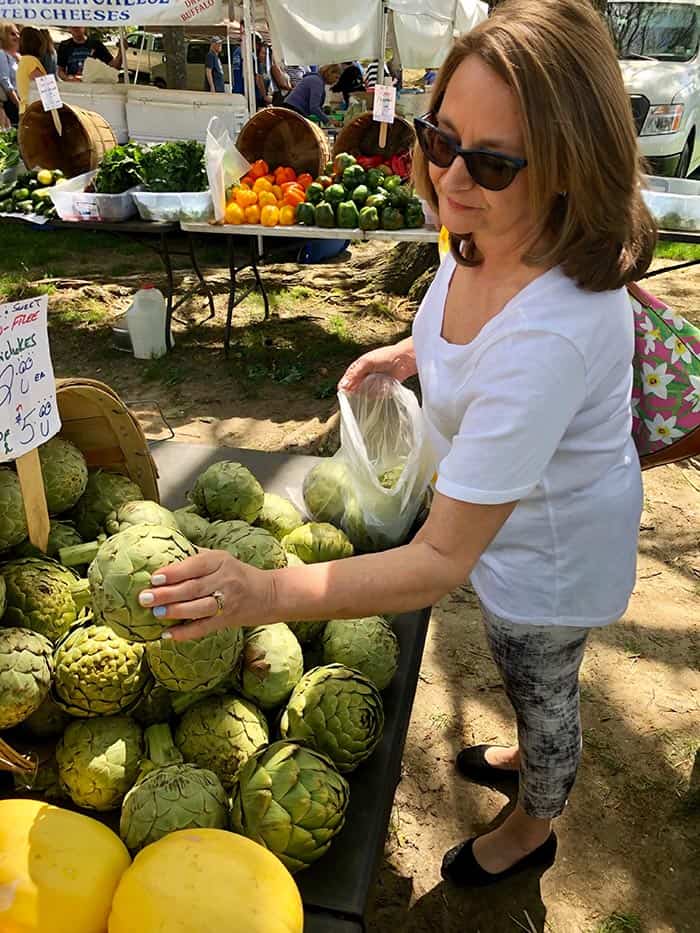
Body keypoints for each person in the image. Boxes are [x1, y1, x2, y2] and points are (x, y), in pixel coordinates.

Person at [137, 0, 656, 888]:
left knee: (543, 679)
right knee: (514, 661)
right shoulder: (483, 227)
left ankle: (535, 820)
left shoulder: (556, 334)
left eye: (493, 161)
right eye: (442, 137)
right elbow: (474, 325)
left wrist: (264, 591)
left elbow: (438, 560)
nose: (452, 177)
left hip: (550, 558)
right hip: (505, 524)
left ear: (573, 168)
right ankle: (529, 754)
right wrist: (417, 351)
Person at [16, 27, 45, 115]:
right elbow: (43, 87)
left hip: (25, 109)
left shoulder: (24, 60)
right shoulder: (31, 61)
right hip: (34, 112)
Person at [0, 22, 21, 125]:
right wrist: (18, 103)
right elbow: (5, 81)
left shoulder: (17, 56)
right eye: (12, 34)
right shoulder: (2, 54)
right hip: (12, 102)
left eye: (18, 33)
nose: (17, 36)